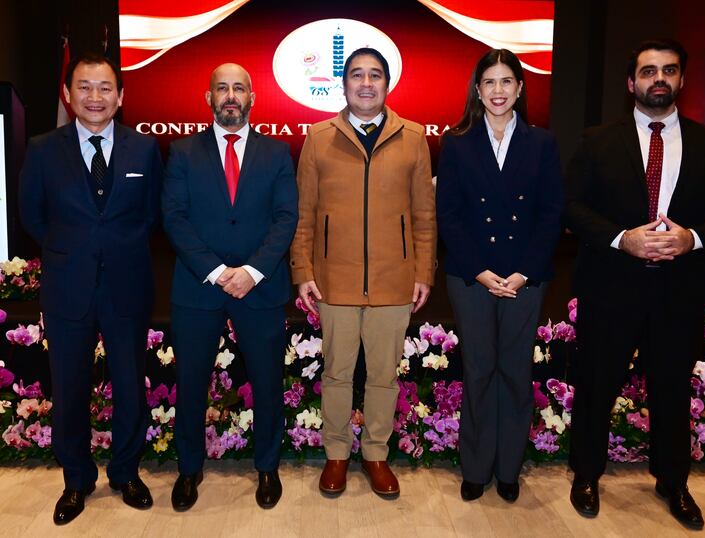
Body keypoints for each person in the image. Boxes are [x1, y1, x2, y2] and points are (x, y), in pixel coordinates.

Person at [565, 39, 705, 529]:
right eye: (648, 71)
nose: (659, 79)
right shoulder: (596, 141)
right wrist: (620, 238)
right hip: (611, 286)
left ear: (681, 79)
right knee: (596, 385)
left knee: (671, 389)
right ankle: (586, 473)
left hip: (679, 290)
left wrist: (693, 239)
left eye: (668, 70)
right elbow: (572, 206)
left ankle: (673, 482)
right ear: (631, 82)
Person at [18, 51, 162, 524]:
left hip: (127, 286)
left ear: (120, 96)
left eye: (105, 87)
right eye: (84, 87)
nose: (94, 96)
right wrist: (72, 251)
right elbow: (32, 215)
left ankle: (126, 472)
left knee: (129, 385)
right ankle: (76, 480)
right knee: (69, 387)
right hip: (68, 287)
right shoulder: (43, 149)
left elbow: (150, 216)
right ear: (67, 94)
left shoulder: (144, 149)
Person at [290, 47, 436, 498]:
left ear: (387, 84)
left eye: (375, 75)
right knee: (336, 374)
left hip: (395, 279)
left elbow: (424, 215)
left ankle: (375, 454)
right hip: (334, 279)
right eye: (357, 75)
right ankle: (336, 453)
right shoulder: (318, 138)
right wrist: (302, 269)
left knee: (383, 376)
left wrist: (424, 271)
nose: (366, 83)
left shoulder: (413, 137)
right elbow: (303, 213)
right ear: (344, 84)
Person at [162, 63, 298, 510]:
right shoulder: (182, 152)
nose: (231, 95)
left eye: (239, 88)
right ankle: (189, 469)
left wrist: (252, 271)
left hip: (260, 287)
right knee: (191, 383)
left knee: (267, 383)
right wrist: (218, 271)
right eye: (222, 88)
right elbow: (174, 218)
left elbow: (286, 218)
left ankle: (267, 467)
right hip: (198, 288)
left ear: (252, 98)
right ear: (209, 98)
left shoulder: (277, 154)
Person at [436, 49, 564, 502]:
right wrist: (481, 271)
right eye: (489, 82)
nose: (497, 90)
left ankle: (508, 468)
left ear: (520, 88)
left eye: (506, 81)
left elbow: (551, 214)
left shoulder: (542, 143)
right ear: (477, 90)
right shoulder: (456, 142)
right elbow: (448, 215)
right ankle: (475, 467)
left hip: (524, 279)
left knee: (514, 371)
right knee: (478, 371)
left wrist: (524, 272)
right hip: (472, 277)